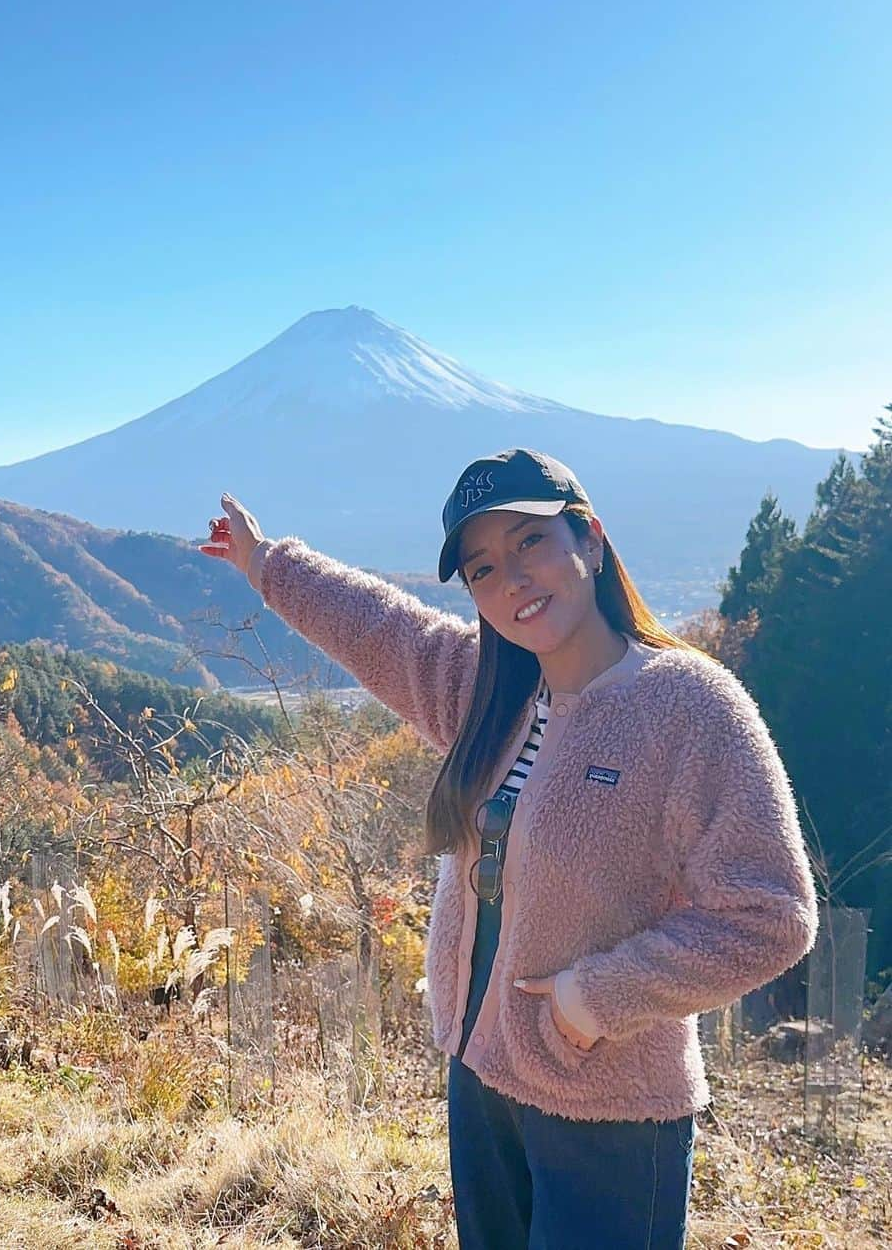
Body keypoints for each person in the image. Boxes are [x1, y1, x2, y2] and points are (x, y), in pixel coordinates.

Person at [199, 447, 818, 1250]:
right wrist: (265, 562)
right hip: (481, 1077)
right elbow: (381, 628)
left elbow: (772, 914)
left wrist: (593, 1001)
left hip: (609, 1106)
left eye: (530, 541)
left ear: (589, 542)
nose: (513, 580)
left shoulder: (690, 709)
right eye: (484, 568)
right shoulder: (489, 691)